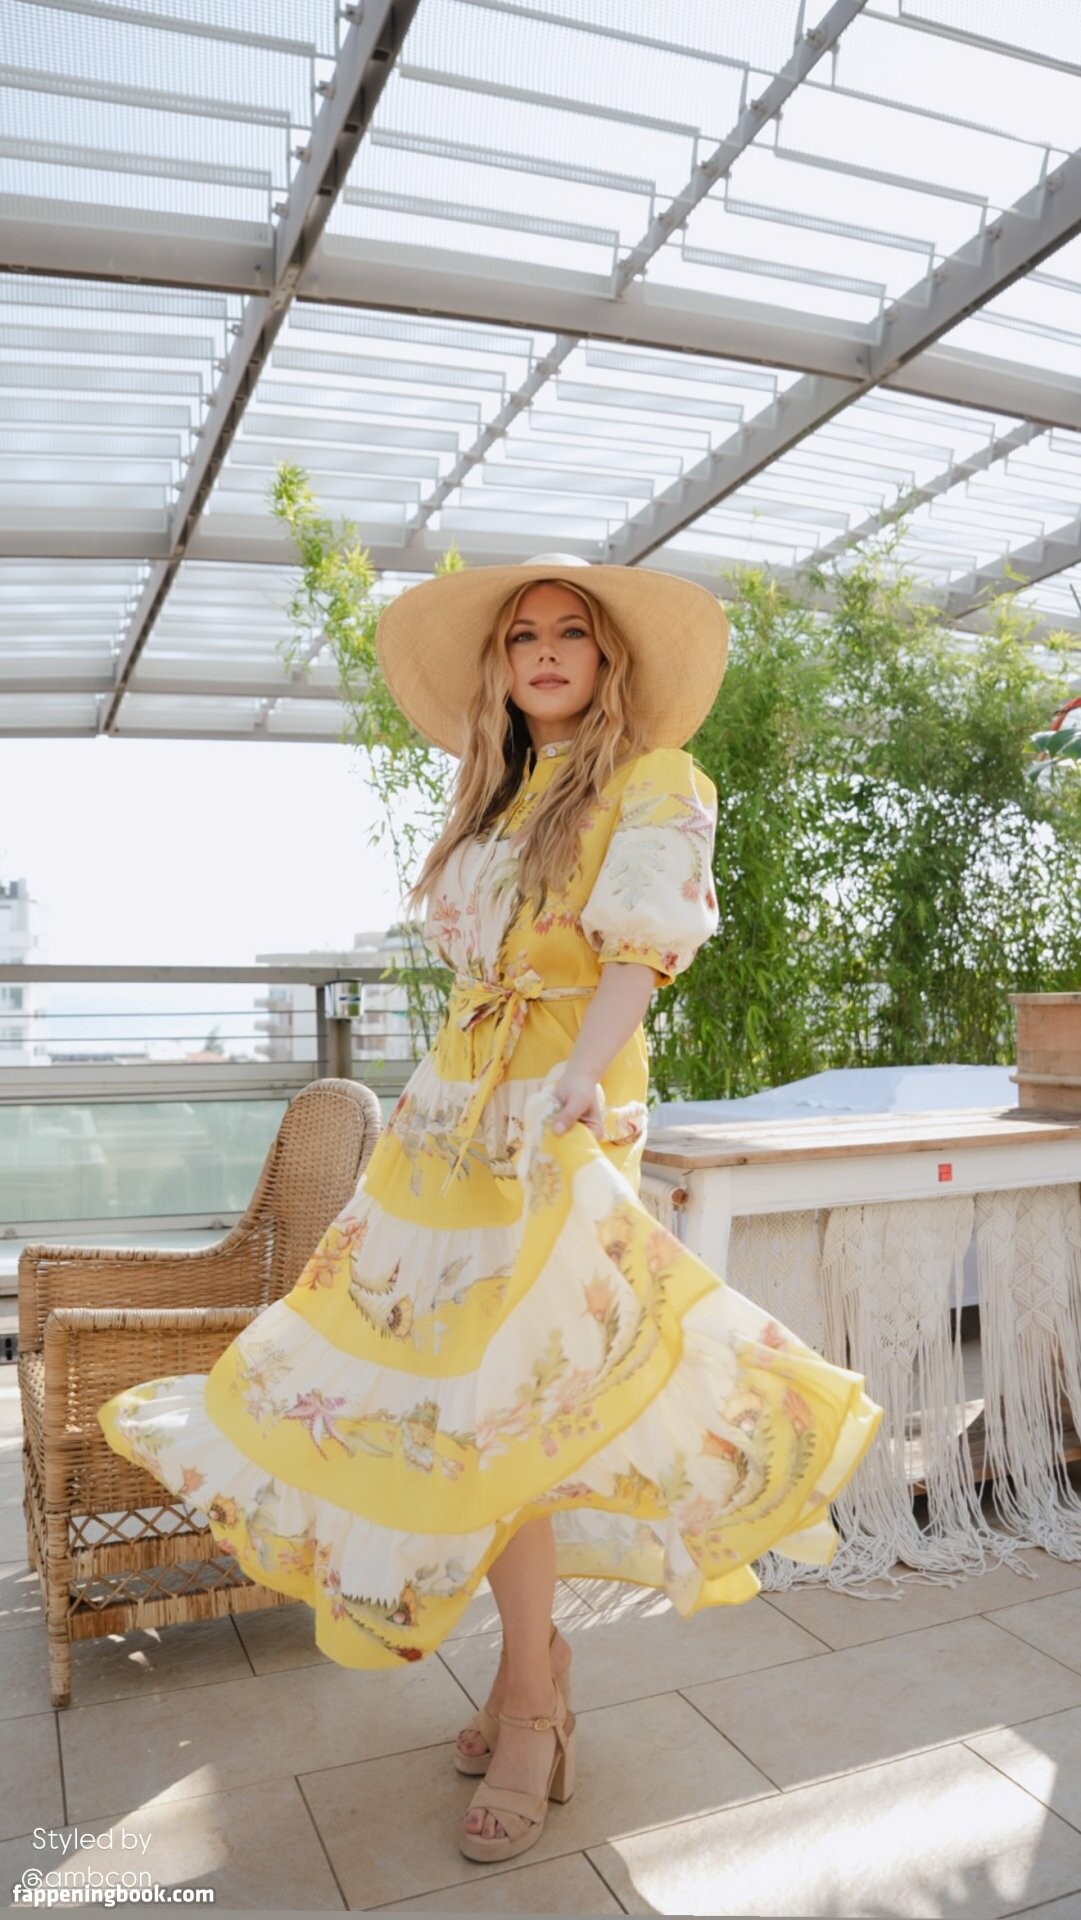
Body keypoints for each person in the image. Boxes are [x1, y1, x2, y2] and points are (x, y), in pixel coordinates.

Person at [97, 555, 882, 1866]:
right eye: (524, 636)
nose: (547, 651)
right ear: (501, 667)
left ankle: (528, 1704)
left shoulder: (657, 779)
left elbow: (638, 953)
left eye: (572, 631)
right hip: (451, 1114)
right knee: (466, 1408)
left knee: (519, 1405)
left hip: (561, 1109)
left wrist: (580, 1081)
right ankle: (537, 1672)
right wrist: (449, 1101)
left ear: (608, 658)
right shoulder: (498, 793)